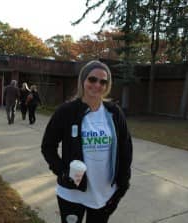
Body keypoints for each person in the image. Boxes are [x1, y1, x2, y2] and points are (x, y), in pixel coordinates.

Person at [41, 60, 133, 223]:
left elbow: (126, 149)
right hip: (72, 194)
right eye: (92, 79)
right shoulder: (66, 111)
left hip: (104, 194)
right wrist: (63, 172)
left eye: (103, 81)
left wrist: (123, 183)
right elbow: (48, 146)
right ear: (83, 81)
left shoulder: (114, 112)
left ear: (107, 85)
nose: (97, 85)